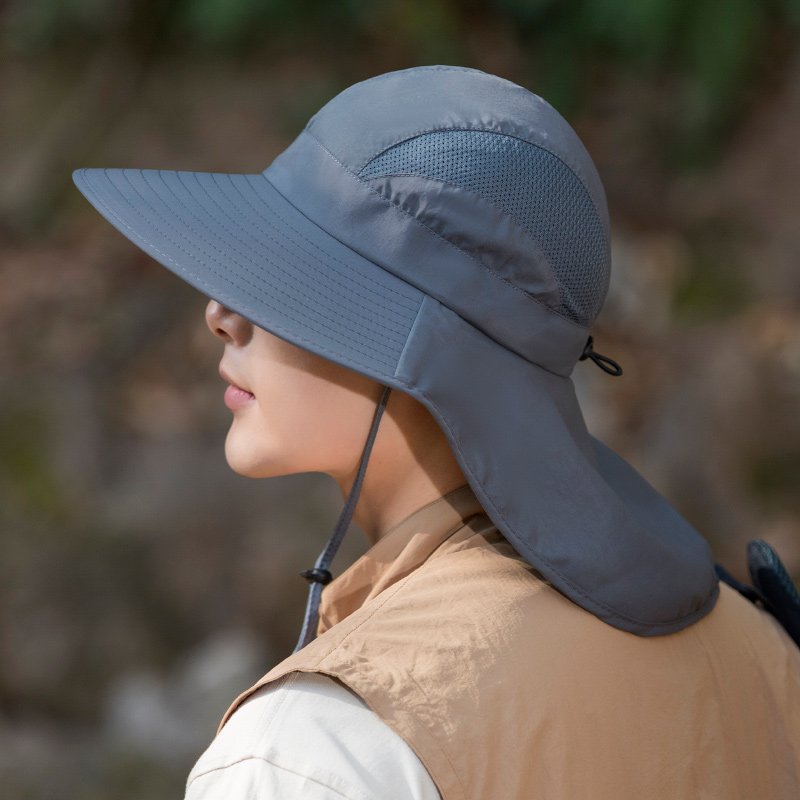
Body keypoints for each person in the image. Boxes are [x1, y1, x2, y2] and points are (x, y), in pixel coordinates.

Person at [73, 65, 800, 799]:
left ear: (425, 355)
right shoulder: (759, 645)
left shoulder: (311, 755)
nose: (221, 314)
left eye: (289, 281)